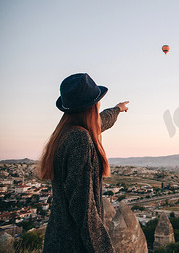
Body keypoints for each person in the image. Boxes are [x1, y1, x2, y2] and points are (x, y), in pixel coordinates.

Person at [39, 73, 129, 252]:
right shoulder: (79, 139)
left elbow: (101, 121)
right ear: (91, 106)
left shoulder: (65, 133)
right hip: (73, 244)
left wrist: (117, 109)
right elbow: (83, 208)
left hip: (58, 238)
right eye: (98, 101)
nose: (99, 104)